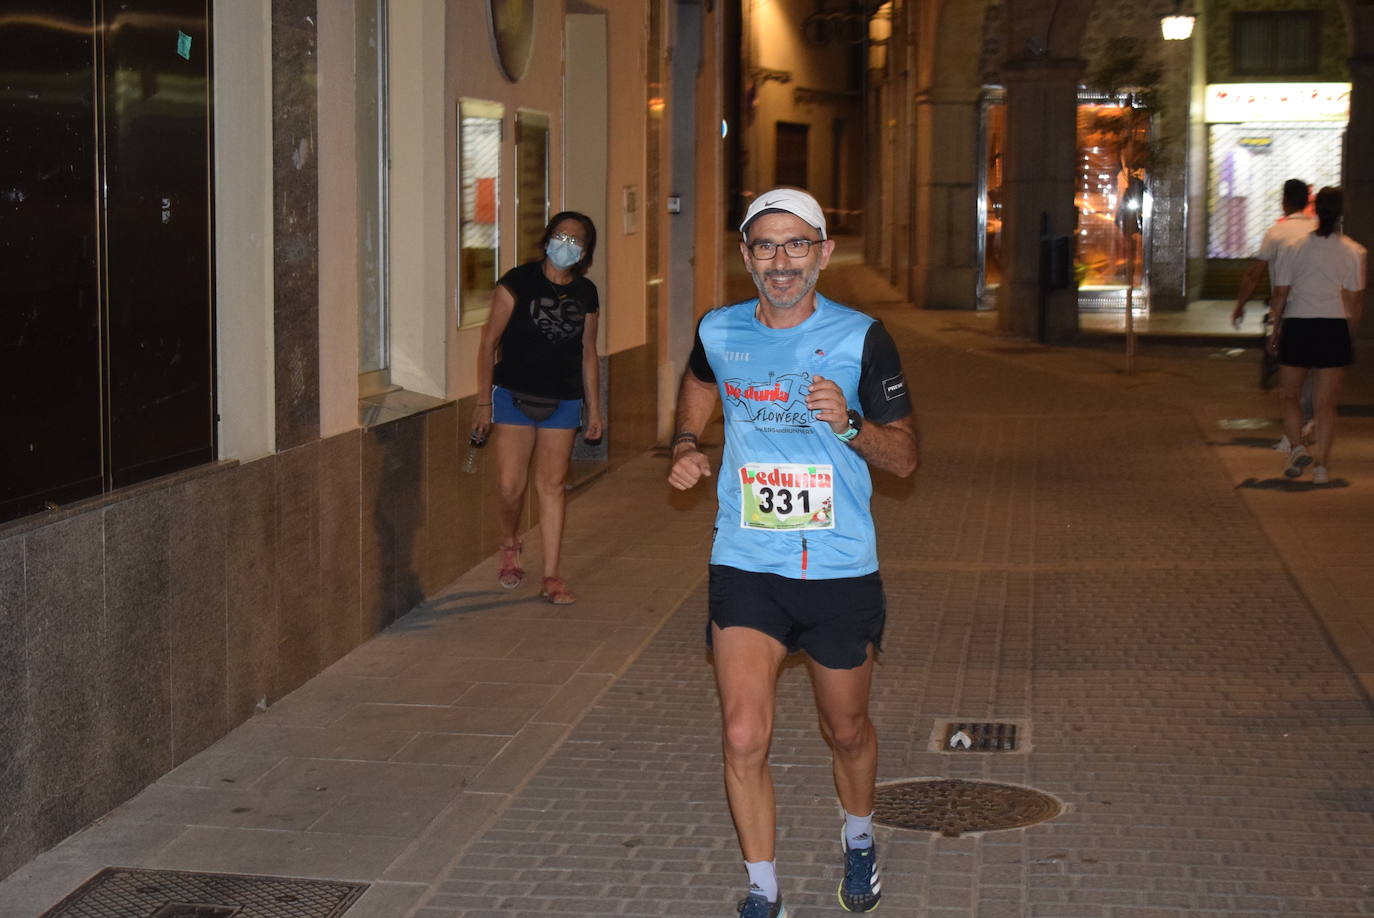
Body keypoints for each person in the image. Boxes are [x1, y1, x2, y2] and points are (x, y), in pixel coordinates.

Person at [668, 188, 918, 918]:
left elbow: (904, 460)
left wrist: (849, 428)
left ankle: (860, 836)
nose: (782, 262)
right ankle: (763, 888)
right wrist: (687, 441)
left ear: (823, 254)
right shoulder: (720, 329)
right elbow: (698, 382)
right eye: (766, 247)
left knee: (846, 730)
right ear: (746, 255)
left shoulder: (862, 338)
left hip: (839, 568)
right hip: (747, 561)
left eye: (797, 245)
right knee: (743, 731)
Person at [473, 212, 603, 604]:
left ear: (584, 253)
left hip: (563, 399)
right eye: (561, 236)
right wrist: (483, 401)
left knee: (551, 486)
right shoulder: (517, 282)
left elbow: (588, 353)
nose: (567, 244)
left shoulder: (587, 293)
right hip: (513, 394)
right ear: (547, 240)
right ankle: (510, 540)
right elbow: (487, 343)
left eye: (576, 241)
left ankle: (551, 574)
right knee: (511, 486)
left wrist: (594, 409)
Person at [1268, 187, 1366, 484]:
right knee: (1326, 405)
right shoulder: (1354, 251)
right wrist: (1348, 335)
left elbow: (1280, 295)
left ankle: (1297, 447)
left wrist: (1275, 330)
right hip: (1333, 327)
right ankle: (1321, 468)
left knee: (1289, 395)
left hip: (1299, 324)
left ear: (1315, 209)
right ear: (1340, 214)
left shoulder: (1293, 247)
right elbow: (1354, 301)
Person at [1233, 179, 1317, 450]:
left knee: (1291, 377)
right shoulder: (1320, 231)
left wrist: (1240, 304)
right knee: (1312, 372)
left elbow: (1254, 273)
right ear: (1307, 201)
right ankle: (1303, 425)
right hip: (1321, 311)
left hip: (1289, 312)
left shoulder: (1277, 233)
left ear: (1284, 201)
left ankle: (1296, 432)